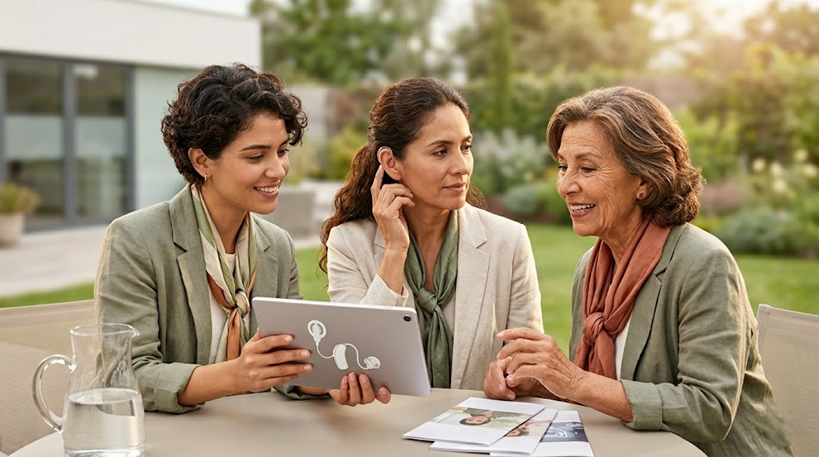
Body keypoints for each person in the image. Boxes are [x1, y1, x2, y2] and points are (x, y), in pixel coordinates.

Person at [483, 86, 792, 456]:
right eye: (563, 166)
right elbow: (605, 391)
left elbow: (708, 410)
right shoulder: (592, 269)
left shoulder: (703, 263)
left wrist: (572, 379)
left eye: (587, 167)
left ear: (644, 181)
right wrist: (536, 382)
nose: (565, 185)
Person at [95, 64, 314, 413]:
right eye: (256, 156)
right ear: (201, 160)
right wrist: (236, 376)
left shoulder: (278, 246)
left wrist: (327, 381)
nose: (278, 170)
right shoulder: (136, 240)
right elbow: (124, 375)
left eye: (282, 151)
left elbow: (285, 366)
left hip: (255, 436)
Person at [319, 77, 543, 406]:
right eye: (441, 151)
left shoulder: (508, 241)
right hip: (385, 438)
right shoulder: (349, 243)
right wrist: (395, 251)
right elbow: (355, 357)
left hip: (475, 437)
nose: (461, 166)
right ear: (391, 162)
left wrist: (513, 378)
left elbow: (529, 363)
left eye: (465, 147)